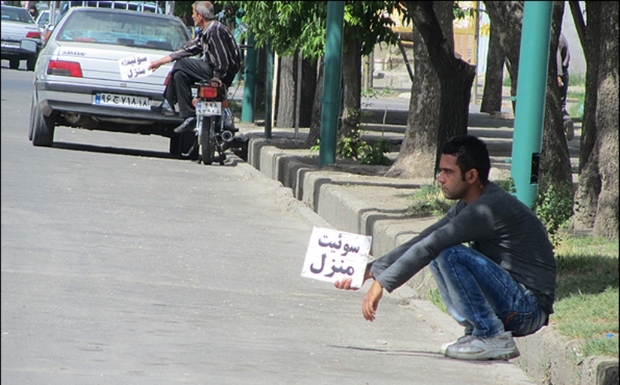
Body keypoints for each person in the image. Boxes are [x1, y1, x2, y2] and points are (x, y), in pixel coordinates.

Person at [334, 135, 556, 361]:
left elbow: (433, 245)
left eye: (448, 172)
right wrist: (372, 269)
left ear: (471, 176)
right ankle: (477, 332)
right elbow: (426, 238)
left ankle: (491, 335)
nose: (440, 178)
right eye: (440, 171)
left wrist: (383, 283)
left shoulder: (486, 208)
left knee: (449, 254)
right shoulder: (470, 205)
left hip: (527, 309)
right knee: (440, 248)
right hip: (515, 300)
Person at [149, 1, 240, 134]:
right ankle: (189, 115)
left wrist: (217, 77)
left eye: (194, 14)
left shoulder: (214, 30)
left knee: (182, 63)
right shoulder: (206, 31)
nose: (192, 16)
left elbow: (223, 61)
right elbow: (187, 49)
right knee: (180, 74)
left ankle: (168, 102)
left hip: (222, 74)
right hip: (214, 71)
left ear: (200, 15)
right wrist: (159, 62)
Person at [557, 33, 574, 141]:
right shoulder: (562, 36)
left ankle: (564, 121)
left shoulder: (554, 38)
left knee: (555, 104)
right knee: (561, 104)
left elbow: (557, 57)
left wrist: (558, 76)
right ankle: (566, 120)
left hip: (559, 75)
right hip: (565, 73)